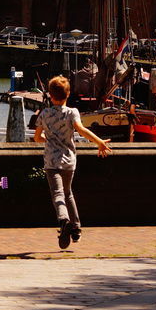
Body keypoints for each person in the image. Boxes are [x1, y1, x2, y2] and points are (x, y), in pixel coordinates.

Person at [33, 75, 111, 249]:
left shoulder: (44, 114)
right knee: (68, 193)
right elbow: (81, 130)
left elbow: (37, 137)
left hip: (52, 162)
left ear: (50, 95)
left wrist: (47, 138)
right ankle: (76, 229)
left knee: (58, 194)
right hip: (69, 160)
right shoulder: (72, 112)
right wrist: (99, 142)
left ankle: (63, 220)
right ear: (67, 95)